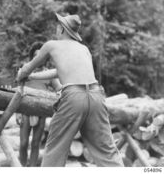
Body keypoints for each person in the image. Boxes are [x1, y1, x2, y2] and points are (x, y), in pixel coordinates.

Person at [16, 13, 124, 167]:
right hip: (96, 95)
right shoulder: (84, 49)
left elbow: (27, 68)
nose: (56, 28)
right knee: (106, 152)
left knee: (55, 149)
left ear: (61, 29)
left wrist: (22, 74)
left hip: (73, 97)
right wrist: (32, 77)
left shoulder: (51, 45)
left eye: (57, 26)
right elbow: (58, 71)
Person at [16, 42, 61, 167]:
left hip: (41, 112)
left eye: (41, 56)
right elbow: (18, 90)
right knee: (23, 142)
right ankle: (22, 166)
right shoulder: (26, 70)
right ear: (32, 57)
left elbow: (58, 88)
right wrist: (17, 113)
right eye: (36, 56)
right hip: (25, 111)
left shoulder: (48, 74)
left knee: (36, 143)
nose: (39, 59)